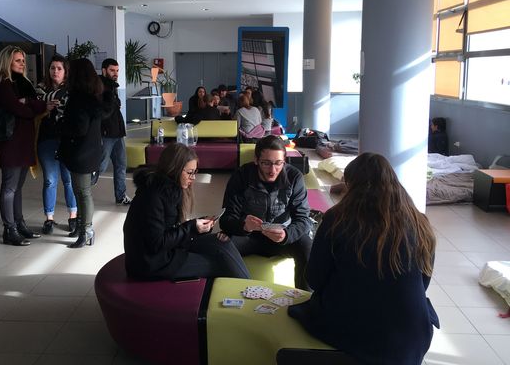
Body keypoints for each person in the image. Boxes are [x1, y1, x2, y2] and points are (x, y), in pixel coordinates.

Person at [288, 153, 439, 365]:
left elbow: (314, 279)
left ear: (352, 186)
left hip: (359, 333)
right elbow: (423, 283)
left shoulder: (337, 219)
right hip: (414, 336)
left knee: (303, 312)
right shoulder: (420, 222)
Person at [124, 143, 250, 280]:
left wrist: (197, 225)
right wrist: (191, 226)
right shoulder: (153, 197)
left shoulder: (167, 190)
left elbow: (169, 229)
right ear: (174, 169)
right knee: (220, 264)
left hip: (164, 253)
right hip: (150, 264)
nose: (193, 178)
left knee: (221, 243)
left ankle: (251, 287)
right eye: (190, 173)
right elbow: (157, 243)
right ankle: (250, 291)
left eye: (195, 172)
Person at [219, 135, 313, 289]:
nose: (272, 170)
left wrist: (286, 235)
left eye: (278, 163)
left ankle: (307, 300)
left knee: (308, 246)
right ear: (256, 160)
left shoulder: (294, 176)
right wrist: (243, 226)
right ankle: (235, 292)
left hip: (281, 236)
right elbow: (227, 219)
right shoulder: (241, 176)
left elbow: (303, 219)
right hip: (249, 236)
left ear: (284, 161)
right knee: (219, 246)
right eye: (266, 163)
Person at [0, 45, 54, 246]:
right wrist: (31, 107)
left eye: (23, 60)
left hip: (25, 139)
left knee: (18, 186)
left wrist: (28, 102)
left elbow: (33, 104)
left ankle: (19, 223)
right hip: (10, 140)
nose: (22, 63)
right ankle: (9, 229)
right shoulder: (2, 82)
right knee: (10, 186)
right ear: (7, 61)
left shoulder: (23, 82)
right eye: (18, 60)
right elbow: (19, 109)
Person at [57, 58, 103, 248]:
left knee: (83, 192)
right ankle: (82, 229)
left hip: (80, 151)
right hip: (90, 149)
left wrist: (60, 123)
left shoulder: (79, 98)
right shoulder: (95, 94)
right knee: (79, 191)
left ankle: (86, 231)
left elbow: (79, 127)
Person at [36, 54, 78, 235]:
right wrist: (44, 108)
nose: (55, 71)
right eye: (52, 68)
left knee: (69, 179)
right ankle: (49, 219)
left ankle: (73, 216)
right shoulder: (39, 90)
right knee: (50, 180)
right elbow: (32, 111)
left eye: (59, 68)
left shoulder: (71, 91)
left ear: (65, 72)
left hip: (66, 139)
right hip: (46, 139)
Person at [94, 58, 131, 205]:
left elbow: (113, 107)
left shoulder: (112, 86)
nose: (115, 73)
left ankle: (120, 196)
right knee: (101, 166)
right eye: (112, 70)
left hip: (117, 132)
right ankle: (81, 190)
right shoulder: (99, 87)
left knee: (121, 165)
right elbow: (103, 110)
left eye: (117, 71)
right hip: (106, 133)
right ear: (104, 70)